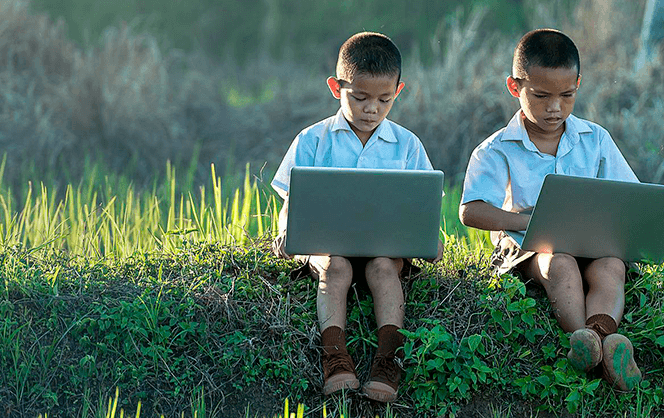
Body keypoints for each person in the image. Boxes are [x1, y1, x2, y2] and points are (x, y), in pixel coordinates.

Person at [458, 28, 642, 391]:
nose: (555, 107)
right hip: (529, 242)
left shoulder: (595, 139)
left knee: (611, 266)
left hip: (589, 237)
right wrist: (525, 221)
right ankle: (586, 339)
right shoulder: (497, 149)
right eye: (541, 96)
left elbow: (629, 194)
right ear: (515, 87)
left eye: (567, 95)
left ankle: (598, 338)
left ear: (578, 84)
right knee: (558, 262)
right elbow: (471, 210)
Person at [270, 32, 440, 402]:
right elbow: (291, 198)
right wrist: (286, 231)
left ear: (399, 89)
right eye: (359, 98)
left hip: (384, 245)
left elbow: (421, 203)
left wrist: (430, 238)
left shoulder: (408, 145)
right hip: (327, 243)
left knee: (383, 267)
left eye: (384, 100)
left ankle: (387, 358)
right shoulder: (313, 140)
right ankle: (335, 357)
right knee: (336, 267)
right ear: (336, 87)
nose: (371, 109)